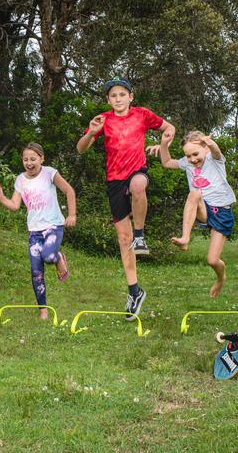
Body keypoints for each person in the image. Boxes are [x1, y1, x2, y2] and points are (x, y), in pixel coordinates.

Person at [77, 77, 175, 320]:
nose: (118, 99)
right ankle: (134, 291)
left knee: (139, 185)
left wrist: (161, 147)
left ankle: (140, 236)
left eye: (122, 94)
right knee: (123, 238)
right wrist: (92, 133)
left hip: (136, 172)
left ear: (131, 96)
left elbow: (169, 128)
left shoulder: (142, 115)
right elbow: (80, 148)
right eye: (113, 96)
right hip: (114, 180)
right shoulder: (103, 120)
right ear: (108, 100)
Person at [0, 143, 76, 320]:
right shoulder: (20, 180)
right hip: (34, 231)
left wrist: (72, 215)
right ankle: (43, 311)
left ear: (42, 159)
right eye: (25, 159)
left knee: (49, 256)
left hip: (53, 226)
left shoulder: (50, 173)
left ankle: (59, 257)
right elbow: (15, 206)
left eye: (33, 159)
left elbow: (69, 190)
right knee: (36, 271)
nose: (29, 163)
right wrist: (1, 198)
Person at [158, 130, 236, 297]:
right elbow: (166, 162)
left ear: (205, 148)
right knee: (194, 194)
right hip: (205, 209)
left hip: (222, 212)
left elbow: (216, 151)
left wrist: (211, 143)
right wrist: (164, 145)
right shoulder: (187, 163)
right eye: (188, 156)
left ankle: (221, 278)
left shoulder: (214, 159)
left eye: (195, 154)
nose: (193, 159)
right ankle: (185, 238)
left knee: (212, 260)